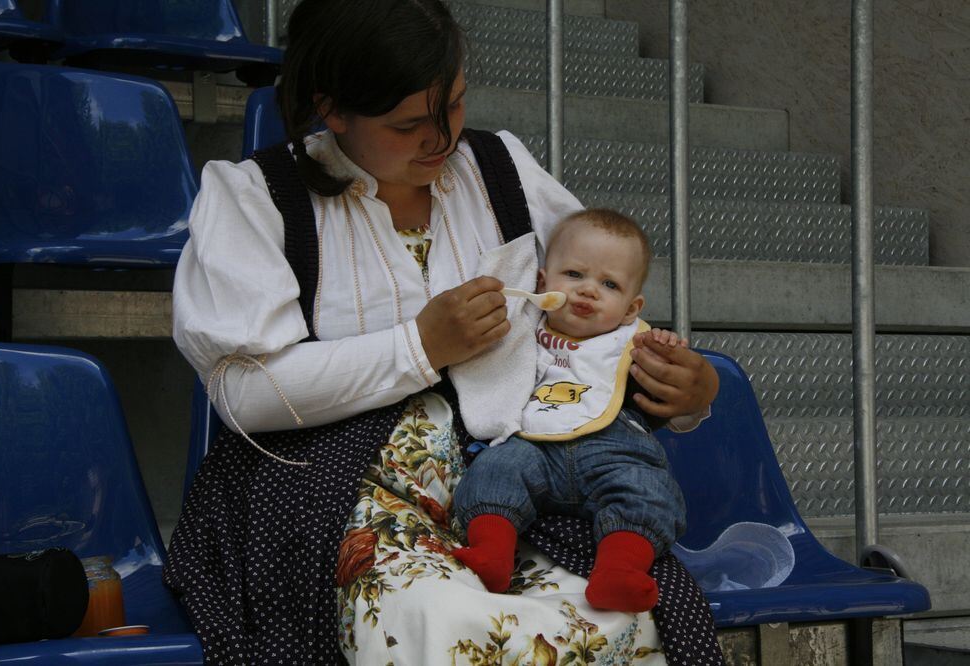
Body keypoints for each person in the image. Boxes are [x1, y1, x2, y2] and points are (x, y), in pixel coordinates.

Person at [164, 0, 723, 663]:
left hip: (514, 492)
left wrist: (689, 392)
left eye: (453, 106)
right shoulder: (256, 198)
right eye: (408, 124)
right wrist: (420, 347)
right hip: (335, 499)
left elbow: (598, 303)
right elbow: (242, 393)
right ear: (332, 109)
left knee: (618, 621)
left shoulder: (500, 169)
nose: (443, 140)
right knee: (451, 625)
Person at [453, 209, 689, 615]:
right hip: (535, 448)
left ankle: (619, 570)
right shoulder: (524, 327)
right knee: (495, 467)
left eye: (609, 284)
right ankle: (492, 552)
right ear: (543, 283)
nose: (588, 291)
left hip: (613, 454)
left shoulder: (635, 344)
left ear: (632, 309)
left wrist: (665, 352)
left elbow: (669, 399)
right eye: (575, 275)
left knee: (648, 489)